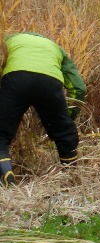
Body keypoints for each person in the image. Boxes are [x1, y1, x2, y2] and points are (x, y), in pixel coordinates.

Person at [0, 33, 86, 186]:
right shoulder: (57, 49)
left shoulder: (8, 41)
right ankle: (71, 176)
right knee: (64, 133)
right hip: (50, 82)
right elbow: (79, 88)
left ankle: (5, 174)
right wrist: (67, 118)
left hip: (16, 79)